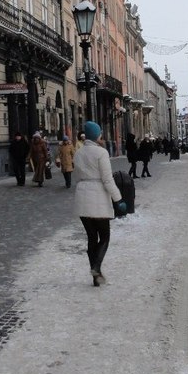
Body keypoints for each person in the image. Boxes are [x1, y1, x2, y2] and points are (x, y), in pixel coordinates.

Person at [74, 121, 125, 286]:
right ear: (96, 135)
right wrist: (118, 199)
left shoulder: (78, 153)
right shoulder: (101, 152)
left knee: (91, 237)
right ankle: (96, 267)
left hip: (82, 196)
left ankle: (96, 277)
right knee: (104, 237)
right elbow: (107, 179)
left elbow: (77, 176)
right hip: (98, 198)